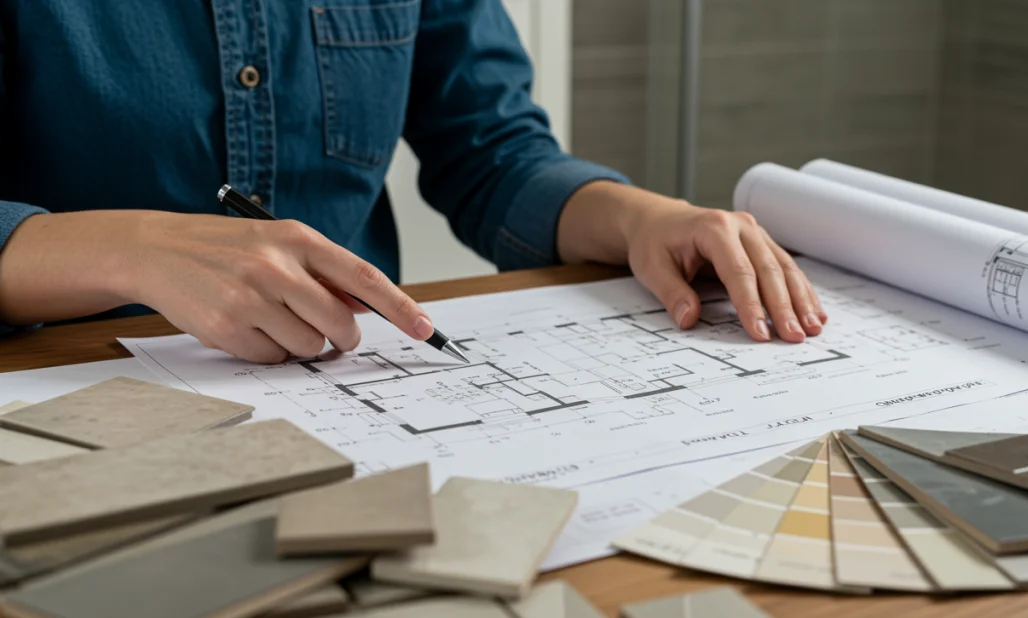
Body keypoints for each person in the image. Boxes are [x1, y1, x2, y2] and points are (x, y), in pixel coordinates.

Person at [0, 0, 826, 363]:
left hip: (352, 374)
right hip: (64, 392)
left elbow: (492, 149)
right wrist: (131, 250)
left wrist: (640, 217)